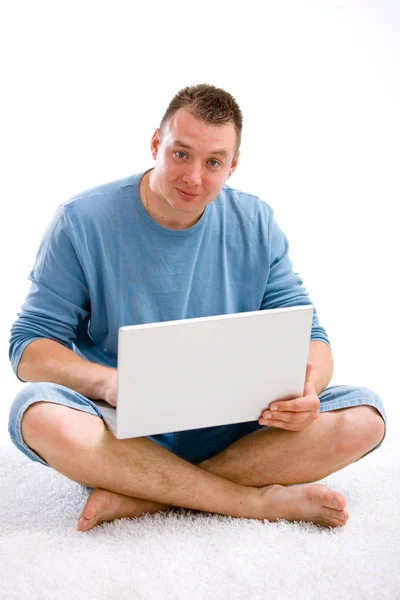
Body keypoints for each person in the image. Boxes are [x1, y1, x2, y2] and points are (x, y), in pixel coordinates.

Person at [8, 83, 386, 533]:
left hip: (239, 425)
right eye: (181, 154)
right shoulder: (81, 220)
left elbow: (310, 334)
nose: (193, 178)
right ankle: (251, 501)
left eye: (213, 163)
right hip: (124, 429)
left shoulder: (256, 221)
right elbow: (28, 347)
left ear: (232, 166)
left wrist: (309, 388)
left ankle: (144, 496)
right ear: (156, 144)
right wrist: (108, 383)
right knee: (38, 414)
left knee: (365, 417)